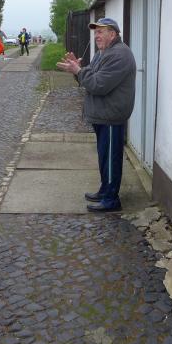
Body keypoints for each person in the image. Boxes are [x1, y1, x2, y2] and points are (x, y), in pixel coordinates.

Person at [56, 17, 136, 212]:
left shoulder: (119, 54)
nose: (96, 35)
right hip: (102, 114)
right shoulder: (103, 53)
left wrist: (79, 71)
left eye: (101, 31)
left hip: (111, 116)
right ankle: (105, 190)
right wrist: (78, 70)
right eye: (95, 32)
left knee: (111, 159)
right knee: (104, 157)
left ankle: (111, 200)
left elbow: (98, 84)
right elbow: (90, 76)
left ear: (113, 34)